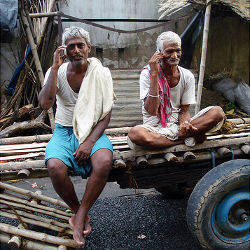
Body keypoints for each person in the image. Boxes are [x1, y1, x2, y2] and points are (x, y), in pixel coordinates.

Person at [38, 26, 115, 246]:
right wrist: (53, 68)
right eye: (70, 46)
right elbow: (45, 104)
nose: (76, 50)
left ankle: (80, 216)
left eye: (80, 45)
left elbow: (106, 113)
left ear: (88, 48)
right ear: (64, 50)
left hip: (92, 130)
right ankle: (76, 210)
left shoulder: (100, 72)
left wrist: (90, 141)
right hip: (63, 130)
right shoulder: (58, 72)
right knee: (54, 167)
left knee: (103, 162)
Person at [128, 31, 225, 149]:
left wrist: (185, 124)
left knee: (217, 112)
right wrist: (154, 75)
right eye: (169, 51)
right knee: (136, 134)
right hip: (154, 129)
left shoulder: (187, 75)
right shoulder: (147, 74)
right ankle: (183, 140)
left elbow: (184, 111)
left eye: (177, 51)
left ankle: (175, 138)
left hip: (177, 126)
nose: (174, 56)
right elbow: (151, 111)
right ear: (159, 53)